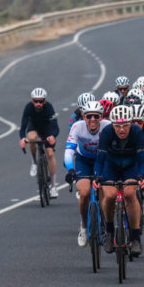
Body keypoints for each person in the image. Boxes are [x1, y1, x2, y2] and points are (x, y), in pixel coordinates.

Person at [94, 105, 144, 256]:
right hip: (111, 166)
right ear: (112, 125)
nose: (122, 130)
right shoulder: (106, 133)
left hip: (130, 166)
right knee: (110, 195)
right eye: (118, 126)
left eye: (125, 125)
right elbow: (100, 159)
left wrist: (142, 175)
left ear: (131, 123)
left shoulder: (137, 132)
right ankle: (110, 231)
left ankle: (136, 237)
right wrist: (97, 176)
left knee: (130, 194)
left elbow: (142, 160)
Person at [64, 101, 110, 247]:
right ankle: (83, 226)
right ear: (83, 117)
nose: (92, 120)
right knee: (84, 193)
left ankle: (106, 224)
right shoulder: (78, 127)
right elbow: (69, 151)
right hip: (83, 161)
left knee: (106, 192)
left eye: (96, 116)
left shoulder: (108, 126)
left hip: (102, 160)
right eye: (89, 116)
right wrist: (71, 169)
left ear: (101, 117)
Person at [19, 87, 60, 198]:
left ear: (44, 101)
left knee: (50, 154)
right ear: (32, 101)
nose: (38, 104)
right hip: (34, 127)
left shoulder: (49, 107)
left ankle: (53, 187)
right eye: (35, 101)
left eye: (40, 101)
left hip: (47, 128)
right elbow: (23, 126)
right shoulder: (28, 107)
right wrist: (22, 138)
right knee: (31, 138)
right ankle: (34, 162)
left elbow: (55, 127)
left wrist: (53, 136)